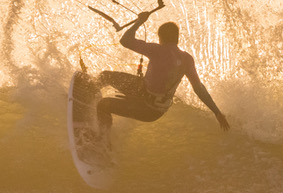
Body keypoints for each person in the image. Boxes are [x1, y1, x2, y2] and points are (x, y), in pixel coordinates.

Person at [90, 10, 230, 134]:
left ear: (160, 37)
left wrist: (139, 22)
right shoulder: (187, 59)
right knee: (111, 81)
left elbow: (125, 40)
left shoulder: (157, 50)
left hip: (144, 104)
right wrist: (216, 112)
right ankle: (102, 127)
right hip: (156, 111)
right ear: (177, 37)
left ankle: (101, 134)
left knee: (103, 98)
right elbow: (199, 88)